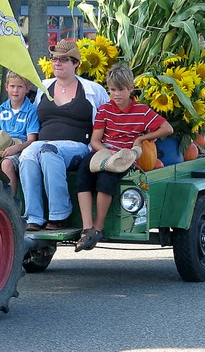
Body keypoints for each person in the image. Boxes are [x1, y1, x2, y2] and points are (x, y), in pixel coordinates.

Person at [74, 63, 174, 251]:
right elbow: (95, 140)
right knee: (83, 173)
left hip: (126, 156)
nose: (116, 94)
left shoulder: (142, 111)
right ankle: (86, 227)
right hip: (105, 152)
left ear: (130, 89)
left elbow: (167, 128)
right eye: (112, 90)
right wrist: (106, 153)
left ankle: (98, 226)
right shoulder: (105, 110)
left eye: (120, 90)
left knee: (107, 177)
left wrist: (141, 138)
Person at [19, 39, 109, 231]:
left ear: (75, 63)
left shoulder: (93, 90)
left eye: (63, 59)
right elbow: (31, 118)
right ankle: (33, 216)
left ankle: (60, 214)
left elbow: (108, 117)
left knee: (48, 151)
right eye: (54, 59)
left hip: (77, 146)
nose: (57, 63)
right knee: (27, 155)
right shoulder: (44, 88)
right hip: (43, 142)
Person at [0, 71, 40, 195]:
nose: (15, 90)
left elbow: (32, 140)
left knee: (7, 163)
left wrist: (16, 148)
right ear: (6, 87)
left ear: (27, 89)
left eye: (20, 87)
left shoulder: (31, 110)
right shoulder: (1, 110)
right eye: (12, 86)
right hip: (0, 148)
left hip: (21, 148)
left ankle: (10, 202)